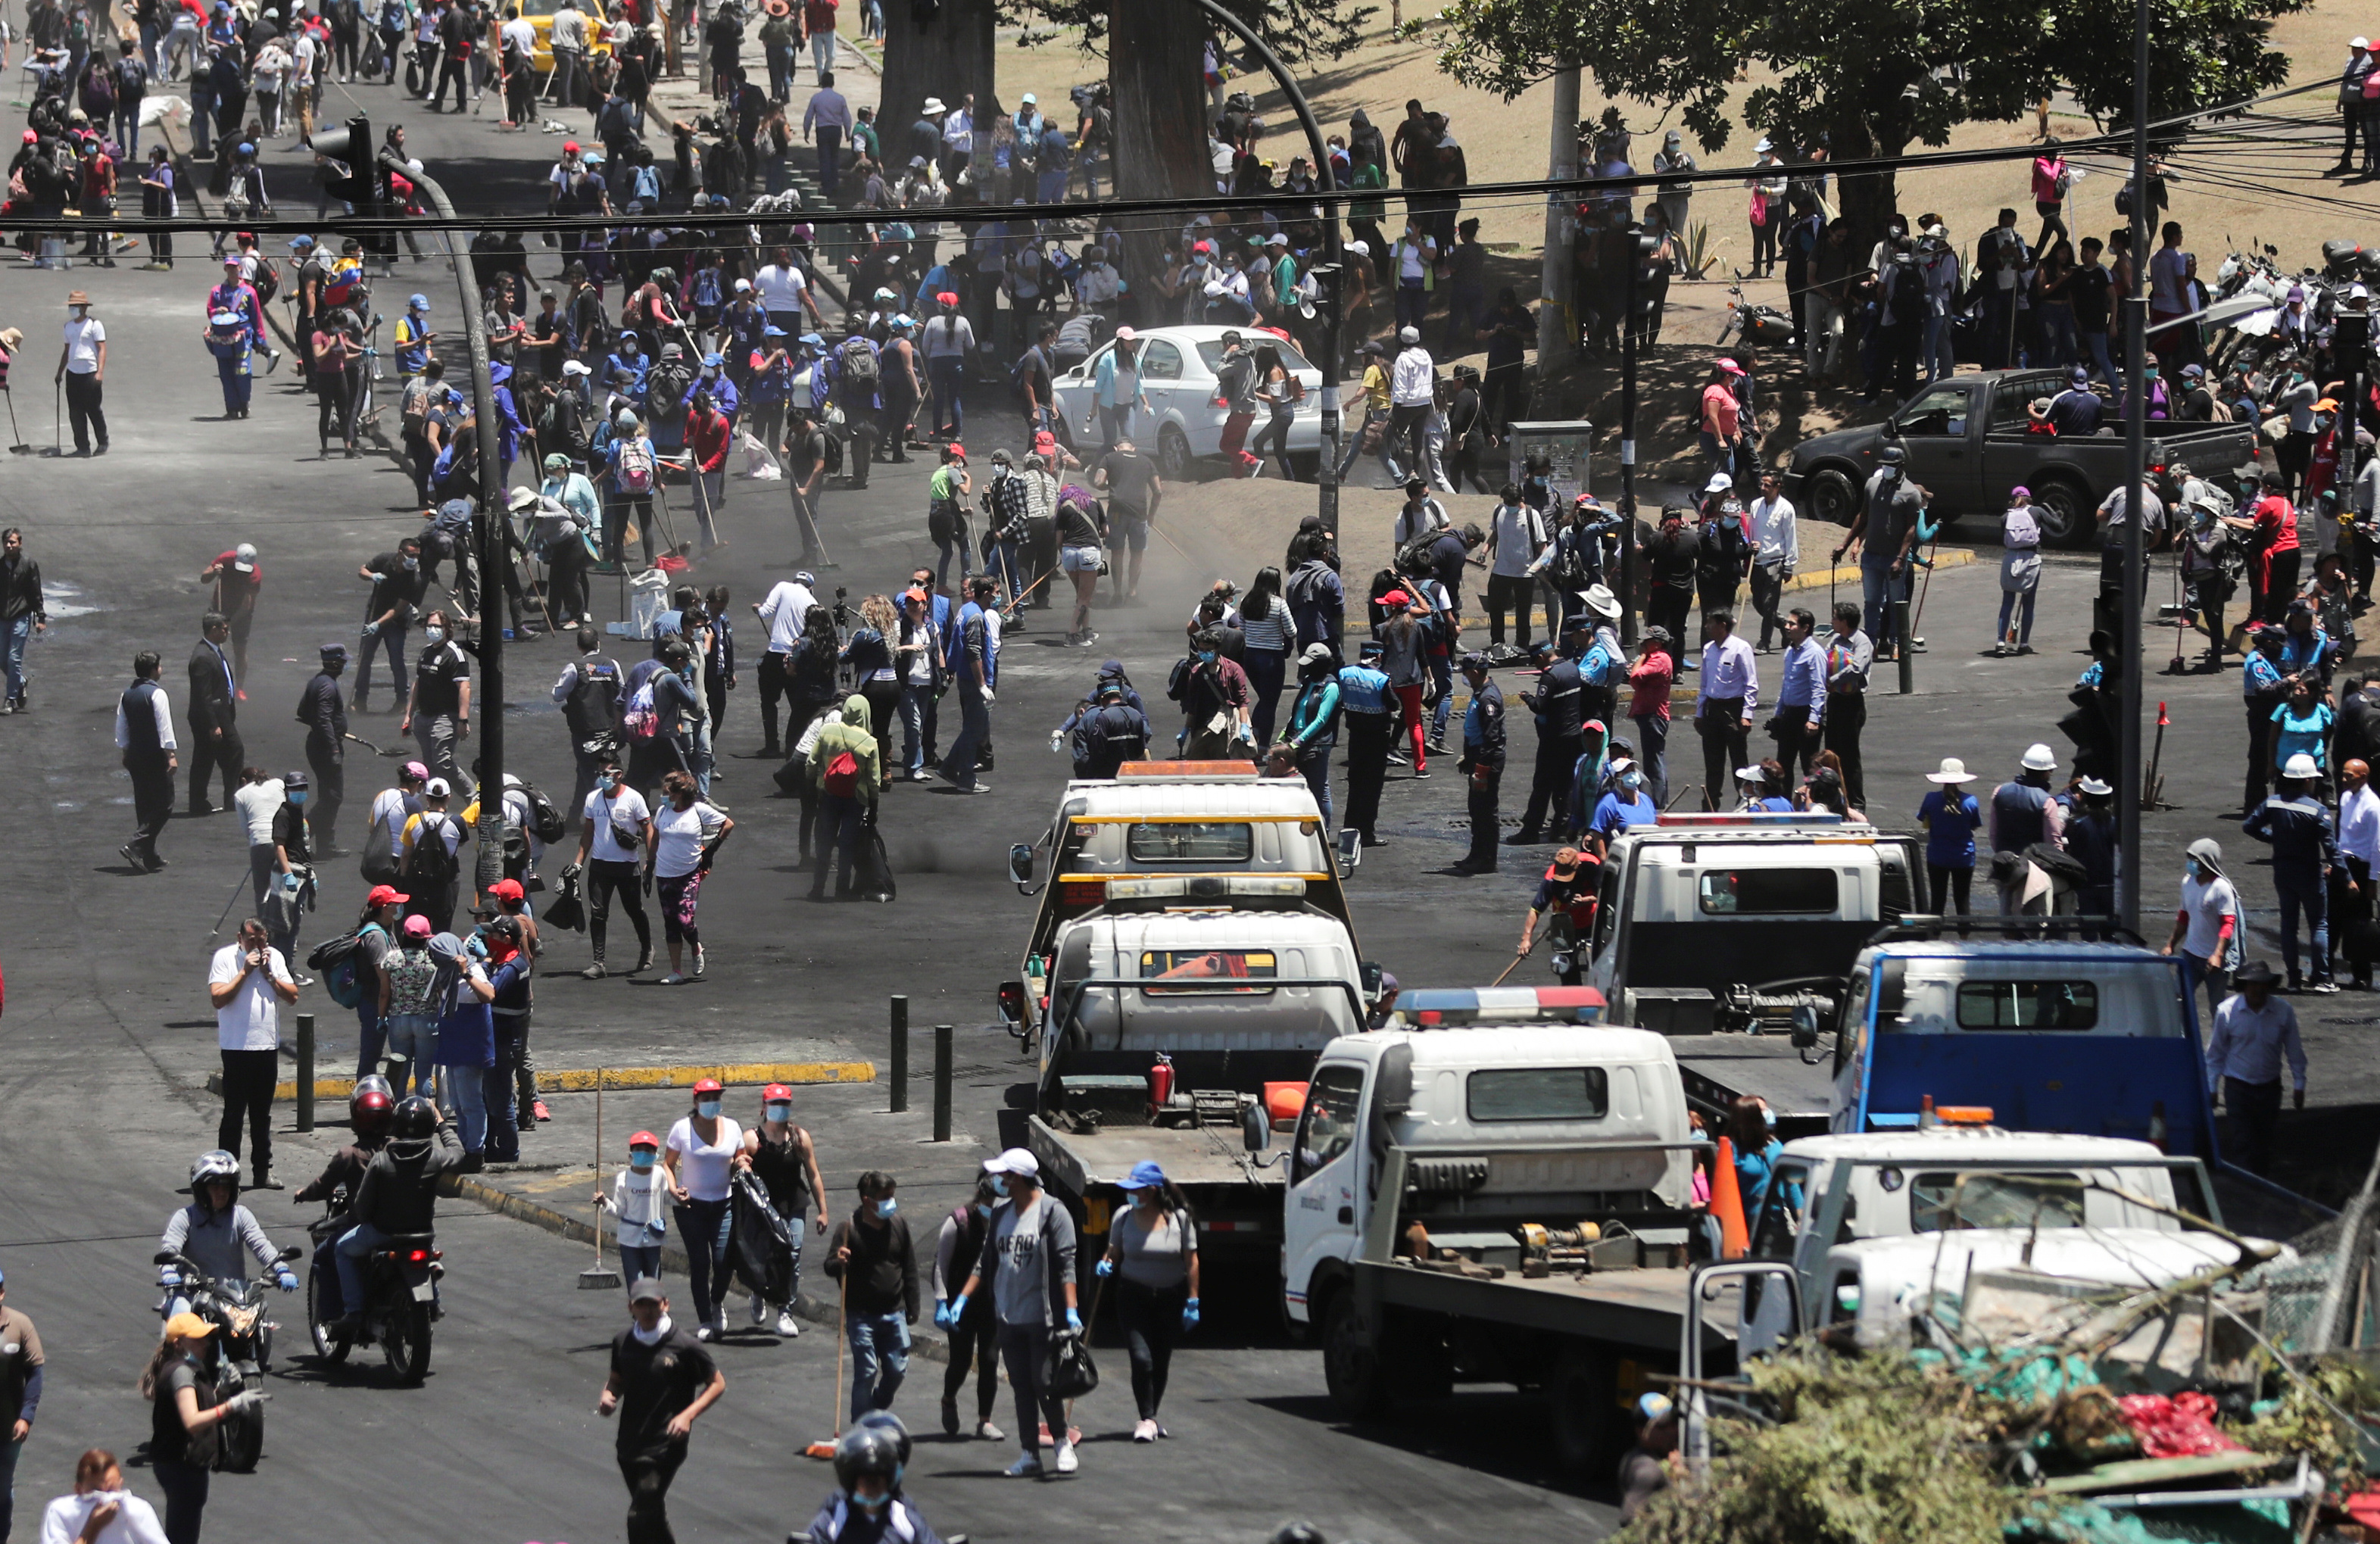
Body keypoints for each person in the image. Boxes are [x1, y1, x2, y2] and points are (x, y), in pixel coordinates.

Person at [952, 1149, 1081, 1477]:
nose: (998, 1181)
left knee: (1044, 1383)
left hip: (1042, 1317)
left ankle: (1062, 1442)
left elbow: (1067, 1267)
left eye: (1004, 1175)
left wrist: (1071, 1312)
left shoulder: (1053, 1212)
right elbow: (985, 1263)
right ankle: (1029, 1453)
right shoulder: (1001, 1214)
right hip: (1008, 1316)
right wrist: (962, 1299)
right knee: (1021, 1386)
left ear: (1019, 1178)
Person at [598, 1277, 727, 1544]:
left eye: (653, 1304)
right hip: (630, 1445)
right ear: (630, 1307)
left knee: (638, 1516)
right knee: (652, 1514)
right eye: (641, 1305)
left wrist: (687, 1415)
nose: (647, 1311)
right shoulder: (623, 1341)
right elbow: (616, 1379)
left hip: (665, 1446)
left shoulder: (685, 1346)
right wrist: (608, 1396)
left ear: (665, 1305)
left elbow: (717, 1384)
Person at [1084, 1160, 1199, 1444]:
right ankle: (1146, 1417)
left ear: (1152, 1191)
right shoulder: (1123, 1217)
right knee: (1141, 1358)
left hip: (1169, 1298)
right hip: (1132, 1295)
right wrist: (1106, 1263)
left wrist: (1193, 1299)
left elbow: (1191, 1260)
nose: (1131, 1195)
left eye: (1137, 1191)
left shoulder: (1179, 1220)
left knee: (1160, 1361)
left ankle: (1151, 1416)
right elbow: (1113, 1251)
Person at [140, 1316, 260, 1544]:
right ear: (178, 1344)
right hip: (181, 1466)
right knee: (182, 1536)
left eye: (206, 1337)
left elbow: (198, 1405)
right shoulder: (182, 1373)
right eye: (198, 1339)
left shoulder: (187, 1369)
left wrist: (222, 1392)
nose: (206, 1343)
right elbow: (192, 1421)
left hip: (181, 1465)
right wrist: (229, 1406)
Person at [207, 919, 297, 1189]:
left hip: (266, 1047)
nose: (257, 947)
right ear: (240, 938)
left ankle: (262, 1171)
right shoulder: (225, 957)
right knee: (234, 1113)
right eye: (251, 941)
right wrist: (245, 972)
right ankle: (227, 1172)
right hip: (236, 1048)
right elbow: (218, 998)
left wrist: (270, 974)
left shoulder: (275, 958)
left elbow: (292, 996)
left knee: (262, 1114)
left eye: (262, 940)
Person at [824, 1172, 919, 1420]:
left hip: (894, 1312)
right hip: (861, 1316)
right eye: (885, 1197)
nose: (891, 1202)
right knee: (866, 1370)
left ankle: (877, 1405)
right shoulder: (848, 1229)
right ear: (868, 1200)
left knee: (897, 1369)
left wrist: (913, 1305)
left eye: (892, 1196)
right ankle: (861, 1427)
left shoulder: (899, 1225)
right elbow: (830, 1265)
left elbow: (909, 1266)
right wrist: (839, 1261)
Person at [2244, 752, 2338, 993]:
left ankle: (2294, 979)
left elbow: (2250, 826)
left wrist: (2273, 838)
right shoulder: (2317, 810)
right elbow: (2331, 849)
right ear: (2308, 781)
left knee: (2289, 926)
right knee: (2319, 925)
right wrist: (2345, 877)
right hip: (2309, 873)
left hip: (2283, 872)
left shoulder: (2274, 802)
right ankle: (2322, 978)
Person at [738, 1086, 828, 1335]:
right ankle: (758, 1292)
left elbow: (813, 1174)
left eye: (784, 1103)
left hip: (794, 1204)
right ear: (764, 1107)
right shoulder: (751, 1140)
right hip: (763, 1209)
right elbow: (737, 1173)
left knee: (792, 1255)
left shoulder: (799, 1138)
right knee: (764, 1256)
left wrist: (823, 1210)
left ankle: (785, 1313)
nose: (780, 1108)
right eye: (775, 1103)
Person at [2204, 961, 2304, 1174]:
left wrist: (2299, 1083)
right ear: (2244, 986)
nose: (2258, 989)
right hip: (2237, 1089)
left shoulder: (2283, 1011)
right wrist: (2212, 1087)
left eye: (2262, 984)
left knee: (2264, 1145)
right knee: (2243, 1144)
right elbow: (2215, 1054)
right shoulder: (2227, 1011)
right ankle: (2244, 1193)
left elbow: (2294, 1050)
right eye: (2253, 984)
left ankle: (2261, 1191)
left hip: (2269, 1089)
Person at [663, 1078, 743, 1340]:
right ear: (696, 1102)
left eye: (716, 1098)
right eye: (706, 1099)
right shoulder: (681, 1129)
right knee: (700, 1263)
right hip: (690, 1207)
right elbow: (668, 1164)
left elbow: (739, 1160)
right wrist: (674, 1190)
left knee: (723, 1262)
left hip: (725, 1205)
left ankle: (716, 1301)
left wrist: (742, 1164)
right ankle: (705, 1319)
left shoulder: (732, 1128)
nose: (712, 1103)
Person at [932, 1179, 1004, 1440]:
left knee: (990, 1360)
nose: (992, 1209)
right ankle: (948, 1398)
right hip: (959, 1306)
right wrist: (942, 1301)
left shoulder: (1003, 1223)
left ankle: (985, 1420)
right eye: (988, 1204)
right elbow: (941, 1264)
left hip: (992, 1303)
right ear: (979, 1198)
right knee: (961, 1362)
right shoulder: (958, 1222)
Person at [577, 754, 656, 978]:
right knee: (598, 913)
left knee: (634, 910)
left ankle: (647, 948)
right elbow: (588, 834)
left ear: (618, 775)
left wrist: (650, 862)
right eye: (599, 774)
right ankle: (598, 962)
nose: (601, 778)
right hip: (600, 866)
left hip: (627, 866)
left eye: (605, 774)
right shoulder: (593, 799)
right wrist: (578, 863)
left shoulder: (634, 799)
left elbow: (648, 829)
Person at [650, 771, 730, 985]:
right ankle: (676, 971)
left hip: (689, 873)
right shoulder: (662, 813)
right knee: (671, 923)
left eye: (667, 792)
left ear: (679, 794)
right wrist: (649, 866)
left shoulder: (698, 810)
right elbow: (655, 838)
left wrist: (711, 851)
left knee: (685, 919)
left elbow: (728, 824)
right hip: (665, 874)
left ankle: (695, 947)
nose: (663, 796)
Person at [809, 694, 882, 899]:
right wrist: (873, 807)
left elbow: (811, 762)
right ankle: (842, 889)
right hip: (855, 800)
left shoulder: (827, 732)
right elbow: (874, 781)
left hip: (828, 795)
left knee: (824, 844)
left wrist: (817, 785)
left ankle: (817, 888)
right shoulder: (870, 742)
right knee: (847, 845)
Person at [2162, 836, 2239, 1024]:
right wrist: (2170, 945)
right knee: (2177, 1002)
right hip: (2189, 955)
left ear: (2206, 862)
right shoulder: (2188, 882)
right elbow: (2184, 916)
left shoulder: (2221, 888)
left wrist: (2218, 954)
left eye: (2194, 860)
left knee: (2218, 1009)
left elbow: (2228, 924)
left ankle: (2220, 1049)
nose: (2190, 864)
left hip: (2213, 962)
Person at [114, 650, 179, 874]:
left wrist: (125, 750)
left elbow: (122, 725)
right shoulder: (157, 693)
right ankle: (136, 845)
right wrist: (170, 754)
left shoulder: (127, 694)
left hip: (135, 755)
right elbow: (164, 725)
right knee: (164, 802)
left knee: (144, 803)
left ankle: (148, 854)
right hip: (153, 754)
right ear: (154, 669)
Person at [1694, 612, 1757, 813]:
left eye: (1710, 623)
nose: (1706, 627)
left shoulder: (1741, 648)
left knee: (1739, 761)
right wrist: (1700, 712)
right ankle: (1710, 808)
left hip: (1734, 709)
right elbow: (1704, 685)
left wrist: (1747, 714)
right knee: (1713, 764)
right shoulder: (1708, 649)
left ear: (1722, 625)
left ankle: (1745, 804)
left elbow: (1751, 684)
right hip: (1713, 709)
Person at [598, 1131, 671, 1301]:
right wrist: (605, 1202)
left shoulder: (660, 1174)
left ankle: (655, 1315)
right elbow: (619, 1210)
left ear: (655, 1154)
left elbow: (667, 1197)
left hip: (653, 1236)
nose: (644, 1154)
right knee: (635, 1282)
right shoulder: (624, 1178)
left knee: (653, 1281)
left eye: (649, 1150)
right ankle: (639, 1315)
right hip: (629, 1238)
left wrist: (682, 1195)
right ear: (631, 1154)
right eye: (639, 1150)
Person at [39, 1449, 168, 1544]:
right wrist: (92, 1527)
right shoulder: (60, 1511)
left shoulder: (138, 1509)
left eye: (112, 1490)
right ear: (78, 1489)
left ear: (120, 1484)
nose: (106, 1499)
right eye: (96, 1492)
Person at [1454, 652, 1506, 875]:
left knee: (1485, 811)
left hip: (1487, 762)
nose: (1464, 676)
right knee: (1476, 809)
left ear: (1475, 672)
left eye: (1466, 672)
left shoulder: (1488, 699)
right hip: (1478, 757)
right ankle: (1476, 853)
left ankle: (1486, 859)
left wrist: (1481, 771)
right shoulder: (1480, 693)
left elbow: (1491, 739)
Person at [1916, 758, 1982, 915]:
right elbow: (1974, 825)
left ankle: (1935, 935)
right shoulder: (1971, 801)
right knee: (1962, 900)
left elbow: (1923, 819)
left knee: (1937, 900)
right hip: (1963, 856)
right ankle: (1964, 937)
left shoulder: (1931, 798)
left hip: (1937, 855)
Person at [0, 1273, 39, 1544]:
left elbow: (35, 1372)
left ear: (1, 1293)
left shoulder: (20, 1324)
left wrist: (26, 1416)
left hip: (8, 1425)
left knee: (2, 1488)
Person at [2338, 760, 2379, 991]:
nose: (2344, 780)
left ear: (2363, 777)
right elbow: (2343, 835)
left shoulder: (2373, 806)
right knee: (2337, 917)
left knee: (2360, 923)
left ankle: (2362, 974)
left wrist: (2373, 880)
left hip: (2361, 868)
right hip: (2344, 864)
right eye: (2344, 775)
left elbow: (2377, 846)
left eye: (2350, 776)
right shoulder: (2345, 798)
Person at [1771, 609, 1826, 778]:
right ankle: (1785, 804)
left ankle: (1811, 801)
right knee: (1783, 764)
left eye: (1792, 624)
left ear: (1805, 628)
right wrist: (1779, 713)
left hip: (1806, 714)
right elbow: (1786, 683)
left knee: (1808, 765)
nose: (1786, 626)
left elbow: (1819, 688)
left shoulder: (1814, 653)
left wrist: (1814, 719)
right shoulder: (1790, 651)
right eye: (1787, 623)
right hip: (1790, 713)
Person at [53, 292, 105, 456]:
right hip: (73, 373)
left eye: (75, 306)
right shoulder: (68, 327)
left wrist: (100, 372)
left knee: (93, 409)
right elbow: (67, 350)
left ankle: (103, 442)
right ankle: (83, 447)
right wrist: (59, 372)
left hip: (90, 372)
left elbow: (102, 348)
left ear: (83, 307)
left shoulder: (94, 324)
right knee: (75, 412)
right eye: (71, 306)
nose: (72, 309)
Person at [1619, 1393, 1680, 1524]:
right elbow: (1628, 1520)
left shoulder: (1636, 1455)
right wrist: (1675, 1478)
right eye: (1663, 1426)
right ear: (1642, 1432)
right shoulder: (1650, 1471)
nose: (1674, 1430)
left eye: (1674, 1422)